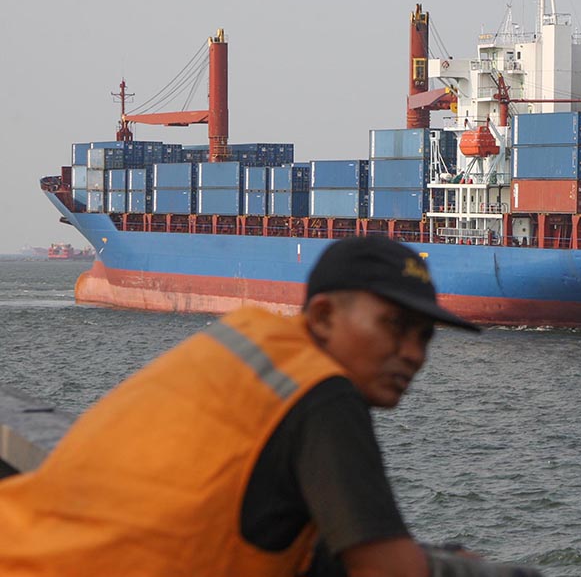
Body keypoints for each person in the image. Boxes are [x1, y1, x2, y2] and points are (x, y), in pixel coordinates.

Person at [0, 236, 541, 577]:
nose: (412, 354)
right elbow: (384, 570)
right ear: (324, 317)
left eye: (426, 336)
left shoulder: (245, 345)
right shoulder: (321, 393)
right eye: (394, 326)